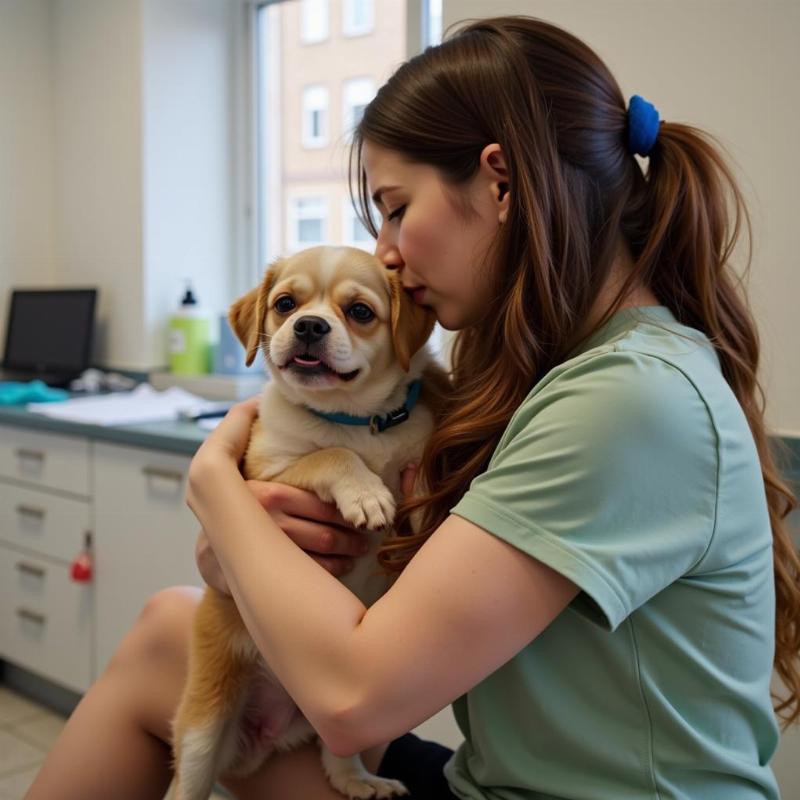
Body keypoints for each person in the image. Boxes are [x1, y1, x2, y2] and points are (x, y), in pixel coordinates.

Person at [25, 15, 799, 800]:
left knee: (183, 641)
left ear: (500, 182)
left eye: (395, 208)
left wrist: (216, 489)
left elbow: (354, 702)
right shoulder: (566, 371)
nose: (387, 250)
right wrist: (238, 554)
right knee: (169, 623)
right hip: (493, 780)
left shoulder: (626, 399)